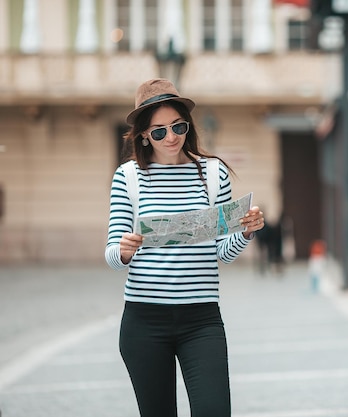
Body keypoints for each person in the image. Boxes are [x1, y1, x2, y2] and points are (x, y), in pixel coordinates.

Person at [104, 78, 265, 417]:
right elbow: (112, 254)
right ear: (144, 135)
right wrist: (124, 251)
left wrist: (246, 233)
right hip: (144, 321)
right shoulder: (128, 177)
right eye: (159, 131)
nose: (171, 136)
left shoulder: (213, 173)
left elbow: (222, 252)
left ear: (187, 126)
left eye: (177, 126)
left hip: (201, 319)